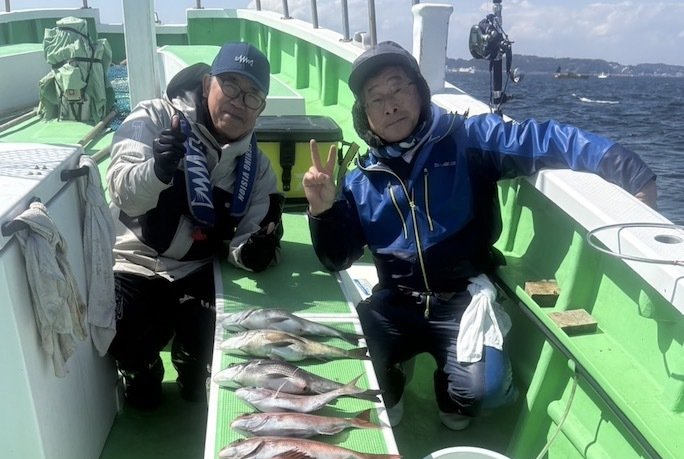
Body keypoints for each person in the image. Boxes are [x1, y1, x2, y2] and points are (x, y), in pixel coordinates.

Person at [303, 41, 657, 428]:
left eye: (398, 88)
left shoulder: (468, 138)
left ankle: (452, 394)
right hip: (395, 300)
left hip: (462, 298)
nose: (390, 105)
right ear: (365, 114)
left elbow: (544, 139)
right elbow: (337, 258)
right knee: (352, 366)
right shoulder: (359, 179)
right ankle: (393, 378)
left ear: (419, 91)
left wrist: (625, 167)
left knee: (480, 394)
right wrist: (322, 211)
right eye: (376, 98)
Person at [107, 42, 284, 409]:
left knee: (215, 343)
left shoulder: (258, 168)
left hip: (198, 267)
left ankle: (189, 365)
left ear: (261, 108)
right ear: (207, 85)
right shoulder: (153, 117)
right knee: (121, 331)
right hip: (134, 259)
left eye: (252, 95)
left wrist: (251, 252)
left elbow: (248, 238)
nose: (239, 101)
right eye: (230, 85)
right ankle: (142, 369)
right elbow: (123, 192)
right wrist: (157, 170)